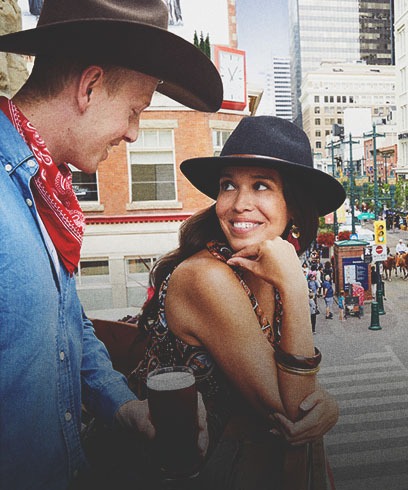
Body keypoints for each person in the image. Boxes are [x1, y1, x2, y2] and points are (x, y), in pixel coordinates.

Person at [0, 1, 224, 488]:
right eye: (135, 110)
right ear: (90, 86)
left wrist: (121, 405)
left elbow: (65, 320)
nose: (134, 132)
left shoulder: (45, 193)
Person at [129, 116, 344, 481]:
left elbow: (295, 394)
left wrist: (328, 407)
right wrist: (294, 284)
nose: (239, 203)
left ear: (292, 205)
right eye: (229, 185)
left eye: (261, 186)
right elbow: (292, 411)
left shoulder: (265, 266)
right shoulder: (206, 278)